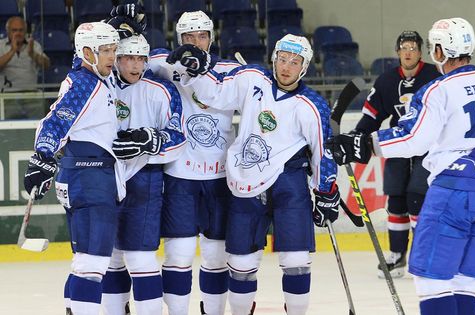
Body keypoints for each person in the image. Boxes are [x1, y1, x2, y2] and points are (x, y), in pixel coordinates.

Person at [326, 17, 475, 315]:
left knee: (431, 279)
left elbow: (411, 139)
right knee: (468, 279)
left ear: (438, 51)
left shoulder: (437, 90)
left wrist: (360, 144)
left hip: (453, 194)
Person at [166, 34, 340, 315]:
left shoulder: (312, 105)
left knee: (296, 260)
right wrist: (199, 68)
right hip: (245, 179)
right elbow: (215, 92)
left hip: (290, 181)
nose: (286, 67)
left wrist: (326, 192)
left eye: (294, 62)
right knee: (241, 264)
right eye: (282, 59)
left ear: (304, 67)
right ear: (274, 58)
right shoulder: (252, 77)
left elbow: (323, 152)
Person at [23, 22, 126, 315]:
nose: (112, 57)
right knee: (92, 264)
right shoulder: (85, 83)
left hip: (85, 176)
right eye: (105, 51)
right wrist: (42, 155)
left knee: (84, 261)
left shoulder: (91, 76)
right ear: (86, 52)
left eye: (113, 50)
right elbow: (55, 122)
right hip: (90, 178)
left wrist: (116, 24)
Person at [148, 11, 240, 315]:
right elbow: (135, 58)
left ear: (211, 39)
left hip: (220, 177)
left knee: (215, 256)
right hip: (179, 176)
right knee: (179, 253)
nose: (196, 43)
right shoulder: (165, 66)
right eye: (188, 37)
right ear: (179, 40)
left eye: (202, 36)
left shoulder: (230, 71)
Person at [100, 34, 187, 315]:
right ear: (116, 59)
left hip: (145, 179)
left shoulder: (161, 90)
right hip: (104, 178)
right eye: (128, 58)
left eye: (140, 58)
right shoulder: (101, 85)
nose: (135, 65)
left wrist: (152, 141)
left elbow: (178, 137)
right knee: (109, 258)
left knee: (140, 258)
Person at [354, 30, 440, 278]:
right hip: (399, 143)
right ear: (398, 51)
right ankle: (397, 256)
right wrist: (357, 136)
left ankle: (421, 256)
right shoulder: (386, 81)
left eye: (413, 47)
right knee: (396, 201)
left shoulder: (435, 76)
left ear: (420, 51)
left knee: (417, 197)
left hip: (428, 146)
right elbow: (372, 115)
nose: (409, 52)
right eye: (404, 47)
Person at [0, 16, 50, 118]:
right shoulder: (1, 45)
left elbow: (46, 65)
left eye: (21, 30)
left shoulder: (34, 45)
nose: (18, 33)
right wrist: (12, 51)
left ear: (25, 31)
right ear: (8, 31)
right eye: (14, 30)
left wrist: (33, 54)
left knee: (45, 114)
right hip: (7, 95)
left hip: (31, 94)